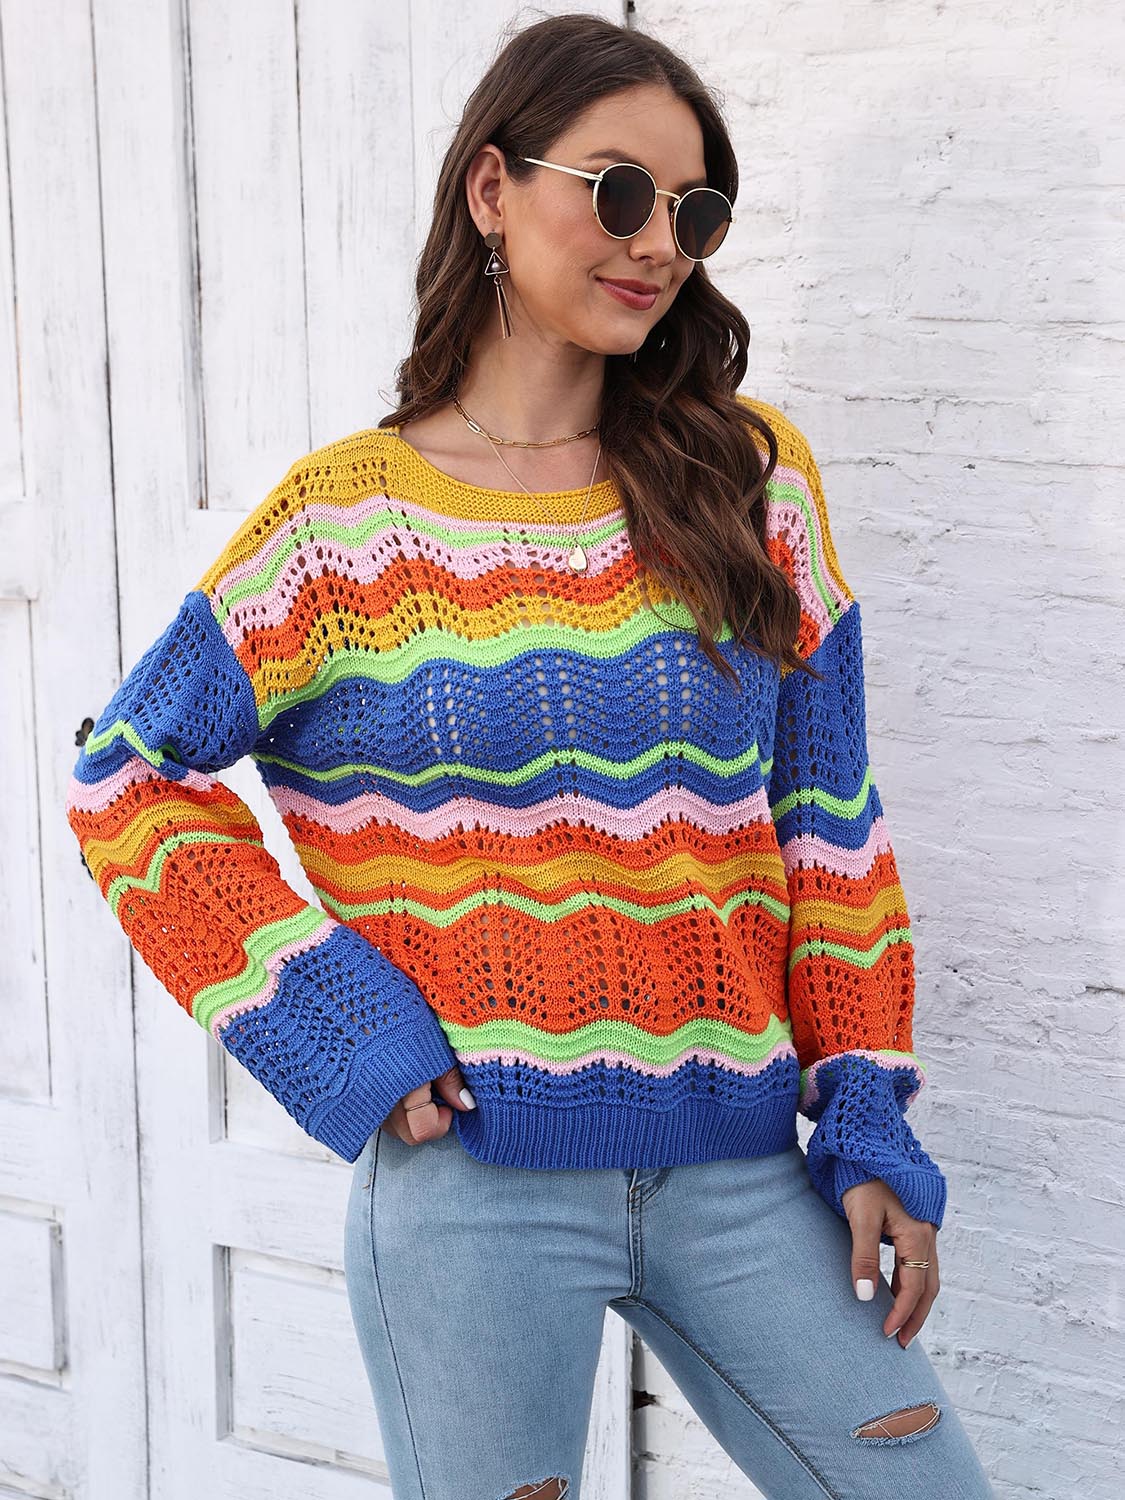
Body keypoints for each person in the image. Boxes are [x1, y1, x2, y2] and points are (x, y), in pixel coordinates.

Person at [65, 13, 996, 1500]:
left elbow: (829, 820)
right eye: (617, 192)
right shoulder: (340, 529)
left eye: (693, 212)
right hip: (473, 1192)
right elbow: (128, 775)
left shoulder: (751, 481)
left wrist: (867, 1110)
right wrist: (339, 1026)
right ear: (493, 189)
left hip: (747, 1170)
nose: (657, 243)